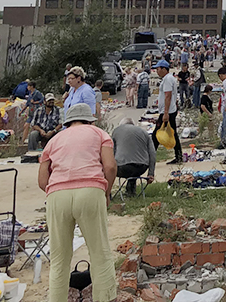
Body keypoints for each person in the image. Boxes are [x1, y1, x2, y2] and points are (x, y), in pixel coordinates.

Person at [38, 103, 117, 302]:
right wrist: (106, 192)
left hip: (57, 195)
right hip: (90, 191)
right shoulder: (100, 134)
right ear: (90, 120)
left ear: (67, 122)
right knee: (100, 255)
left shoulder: (54, 141)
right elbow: (110, 166)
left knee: (59, 261)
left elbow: (41, 181)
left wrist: (58, 189)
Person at [111, 116, 156, 196]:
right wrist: (150, 173)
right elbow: (152, 153)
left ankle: (108, 194)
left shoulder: (116, 131)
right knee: (134, 166)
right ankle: (131, 191)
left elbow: (112, 152)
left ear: (122, 125)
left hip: (122, 168)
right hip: (141, 168)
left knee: (124, 166)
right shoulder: (144, 132)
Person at [151, 60, 183, 164]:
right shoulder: (167, 79)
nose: (157, 71)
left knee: (156, 135)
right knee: (172, 133)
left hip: (168, 112)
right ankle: (178, 156)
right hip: (168, 111)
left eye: (158, 69)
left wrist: (165, 113)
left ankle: (150, 158)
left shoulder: (168, 79)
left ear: (164, 69)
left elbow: (168, 96)